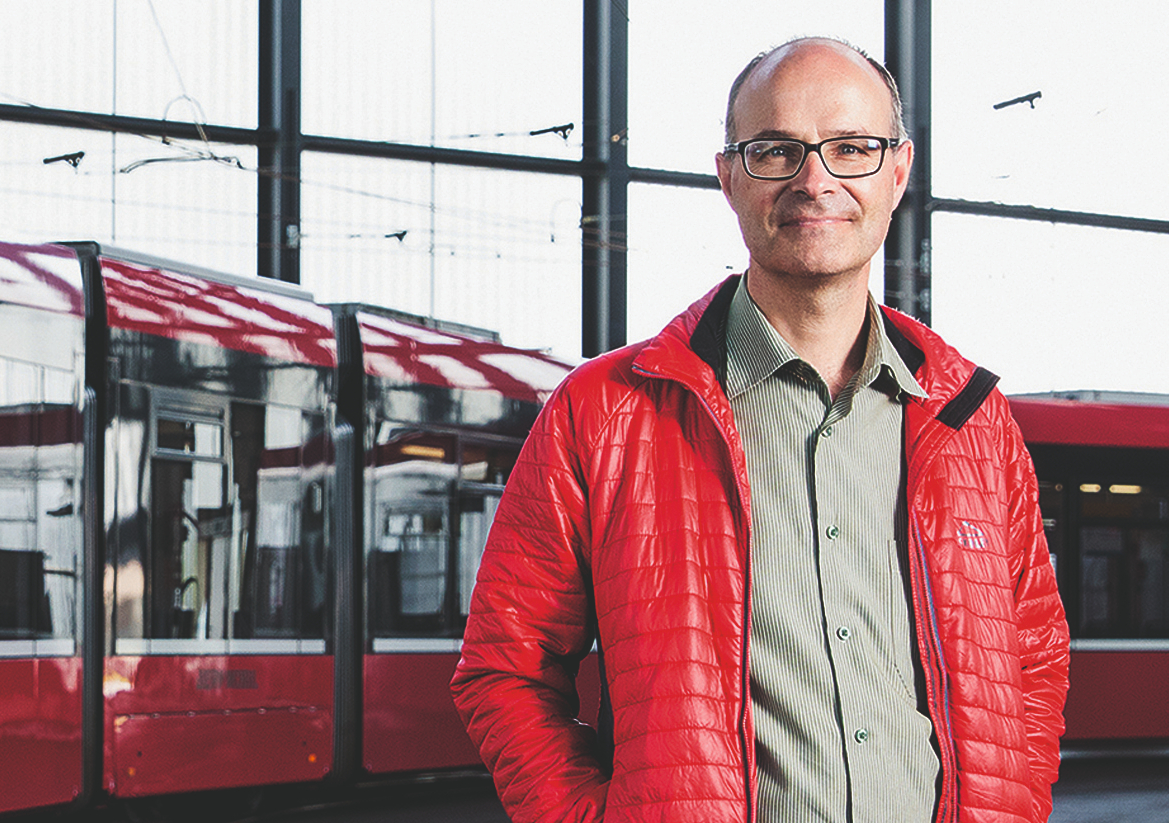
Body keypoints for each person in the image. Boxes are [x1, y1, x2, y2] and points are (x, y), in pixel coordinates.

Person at [450, 37, 1069, 823]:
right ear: (729, 176)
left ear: (899, 172)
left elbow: (1034, 657)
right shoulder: (600, 415)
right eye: (776, 151)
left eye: (852, 148)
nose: (816, 181)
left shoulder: (974, 420)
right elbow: (506, 669)